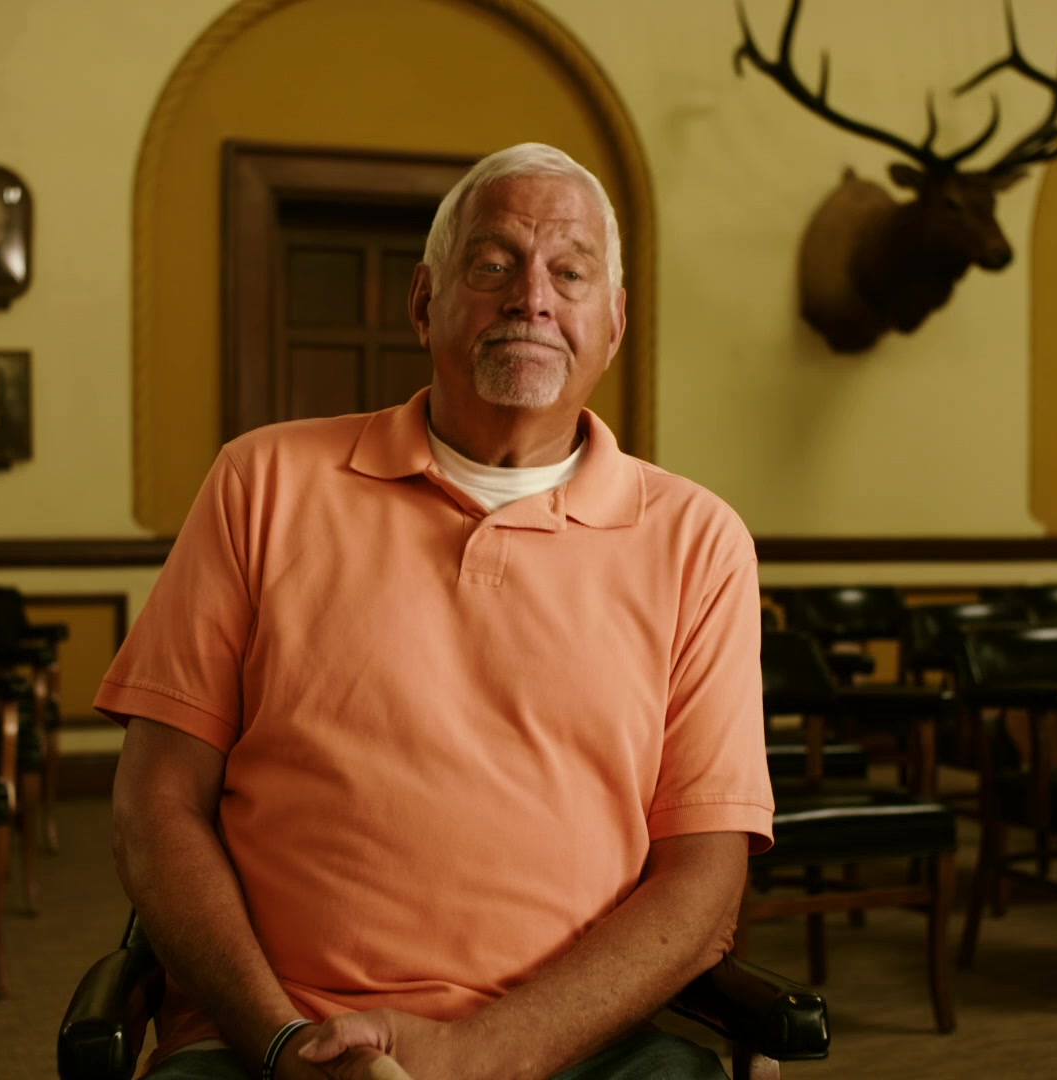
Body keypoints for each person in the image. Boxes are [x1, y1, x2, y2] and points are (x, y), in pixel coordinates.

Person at [98, 144, 772, 1080]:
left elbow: (704, 881)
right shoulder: (261, 483)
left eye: (570, 273)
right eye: (493, 264)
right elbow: (155, 804)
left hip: (576, 1047)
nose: (531, 298)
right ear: (424, 302)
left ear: (613, 323)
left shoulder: (700, 542)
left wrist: (479, 1056)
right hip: (271, 1038)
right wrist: (283, 1043)